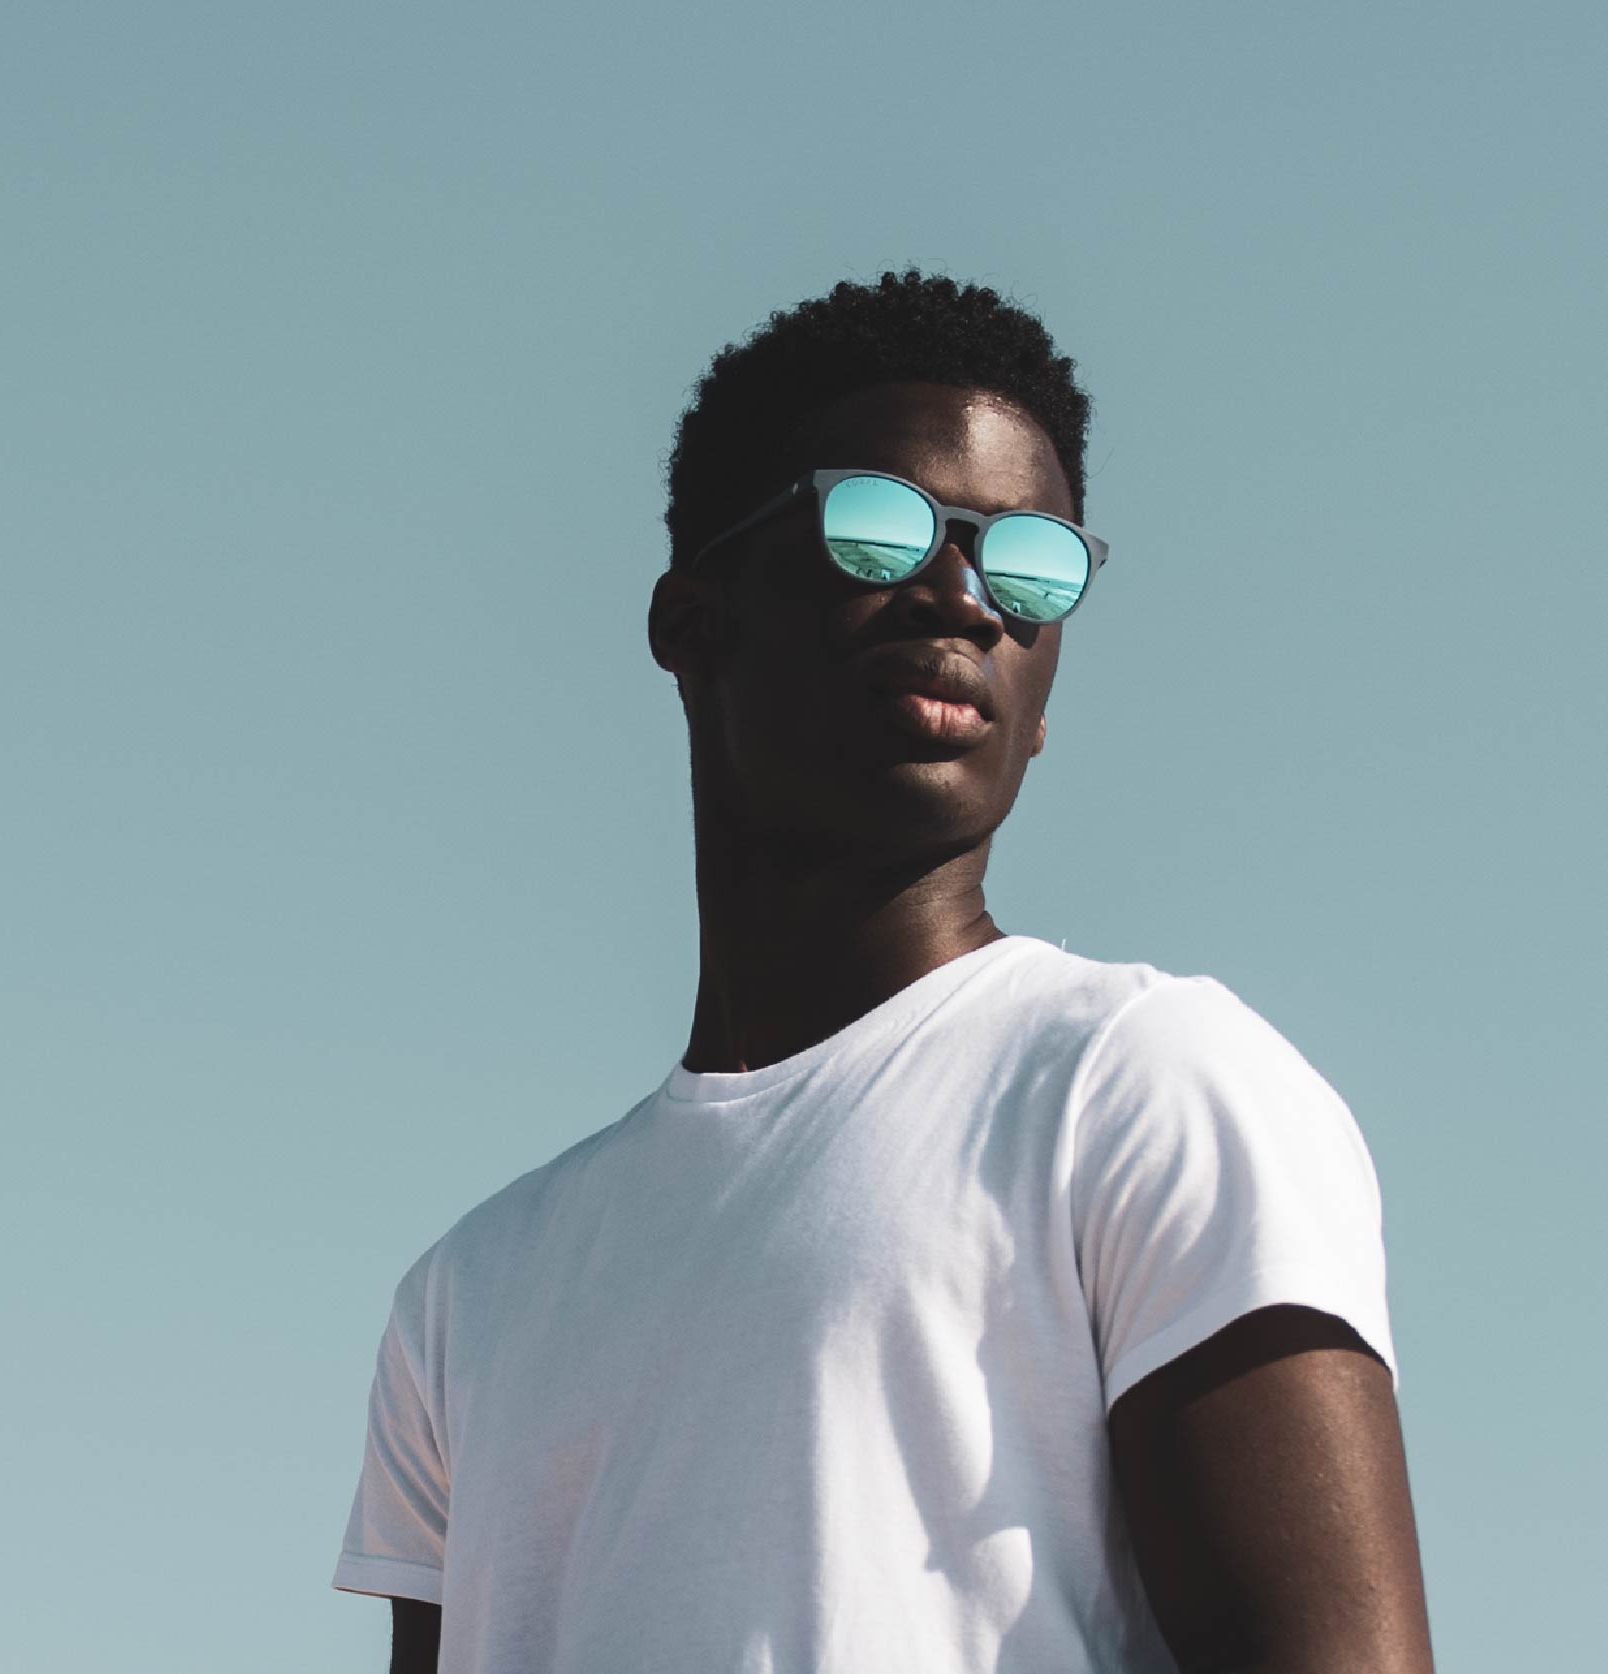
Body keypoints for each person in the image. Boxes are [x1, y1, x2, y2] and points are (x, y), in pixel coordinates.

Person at [331, 271, 1435, 1673]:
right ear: (693, 620)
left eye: (1030, 564)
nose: (965, 598)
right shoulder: (468, 1295)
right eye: (877, 526)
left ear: (1047, 702)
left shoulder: (1144, 1087)